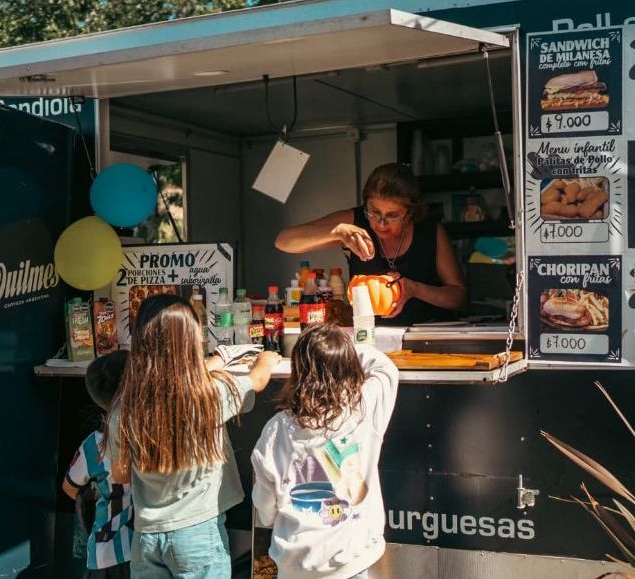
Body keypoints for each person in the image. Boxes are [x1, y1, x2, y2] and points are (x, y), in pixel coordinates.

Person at [106, 294, 281, 578]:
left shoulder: (124, 407)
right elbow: (257, 381)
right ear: (190, 344)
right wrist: (266, 359)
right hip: (197, 535)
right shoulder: (208, 396)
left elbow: (121, 474)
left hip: (147, 536)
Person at [251, 324, 399, 579]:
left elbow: (265, 509)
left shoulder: (276, 430)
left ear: (297, 372)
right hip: (351, 561)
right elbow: (385, 367)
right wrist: (345, 348)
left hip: (295, 565)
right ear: (350, 367)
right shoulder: (363, 409)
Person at [275, 162, 467, 326]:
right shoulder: (354, 222)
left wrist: (415, 289)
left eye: (393, 216)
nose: (381, 223)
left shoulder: (430, 232)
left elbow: (458, 297)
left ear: (410, 213)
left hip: (426, 338)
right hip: (368, 338)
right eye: (374, 212)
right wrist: (336, 231)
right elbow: (284, 242)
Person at [62, 350, 133, 579]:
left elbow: (69, 487)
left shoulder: (93, 445)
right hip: (140, 545)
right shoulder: (147, 434)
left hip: (105, 548)